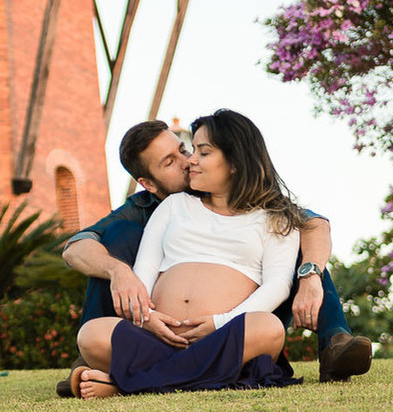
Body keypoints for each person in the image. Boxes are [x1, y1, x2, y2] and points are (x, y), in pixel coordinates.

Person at [59, 118, 372, 392]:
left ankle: (126, 381)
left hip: (227, 330)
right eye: (170, 162)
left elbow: (312, 228)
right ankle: (190, 373)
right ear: (148, 184)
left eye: (189, 151)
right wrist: (132, 294)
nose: (189, 161)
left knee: (270, 326)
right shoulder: (165, 206)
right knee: (92, 331)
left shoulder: (273, 213)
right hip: (159, 335)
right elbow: (84, 249)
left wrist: (310, 275)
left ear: (234, 161)